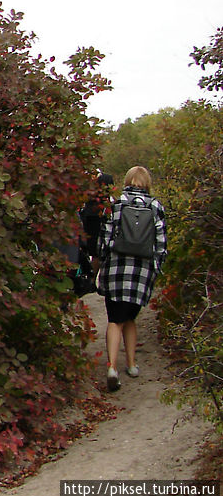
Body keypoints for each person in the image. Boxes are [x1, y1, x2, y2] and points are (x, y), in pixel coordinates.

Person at [97, 166, 166, 392]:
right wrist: (155, 270)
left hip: (117, 269)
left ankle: (111, 367)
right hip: (142, 272)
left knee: (114, 319)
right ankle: (132, 364)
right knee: (130, 318)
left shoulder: (116, 204)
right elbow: (161, 245)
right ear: (147, 182)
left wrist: (102, 262)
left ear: (127, 181)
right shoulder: (156, 207)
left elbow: (105, 239)